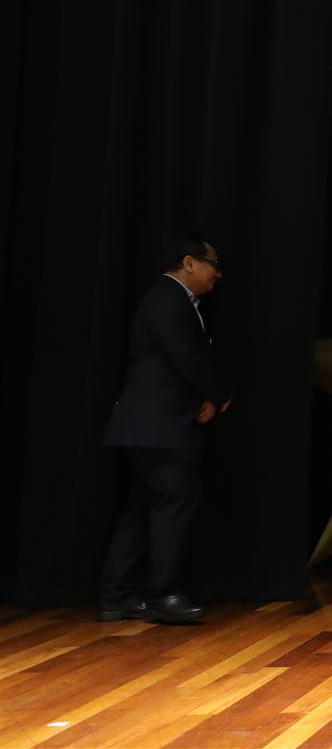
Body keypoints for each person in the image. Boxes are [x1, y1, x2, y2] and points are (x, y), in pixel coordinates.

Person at [99, 235, 229, 625]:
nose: (217, 273)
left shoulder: (166, 298)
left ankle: (117, 596)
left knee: (141, 508)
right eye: (212, 264)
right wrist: (220, 394)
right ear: (189, 262)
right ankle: (163, 594)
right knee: (175, 503)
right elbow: (188, 357)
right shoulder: (169, 299)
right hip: (162, 425)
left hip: (146, 426)